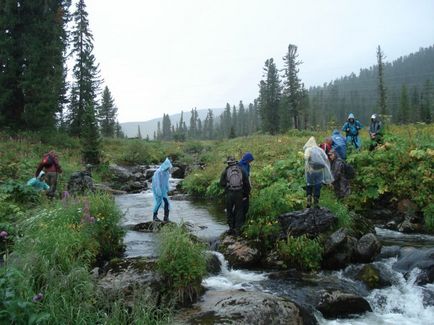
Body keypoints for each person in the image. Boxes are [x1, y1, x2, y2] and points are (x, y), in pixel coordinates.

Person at [220, 156, 251, 236]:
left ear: (228, 163)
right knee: (239, 211)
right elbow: (246, 183)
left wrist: (227, 187)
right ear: (235, 162)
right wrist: (246, 194)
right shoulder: (241, 170)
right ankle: (237, 230)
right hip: (239, 193)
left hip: (229, 193)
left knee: (229, 211)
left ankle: (231, 228)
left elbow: (221, 183)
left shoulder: (226, 171)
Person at [303, 137, 333, 208]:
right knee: (318, 185)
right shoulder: (320, 150)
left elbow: (306, 157)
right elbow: (325, 158)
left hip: (310, 171)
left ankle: (309, 200)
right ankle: (316, 202)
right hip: (319, 171)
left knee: (309, 184)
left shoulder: (308, 149)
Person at [151, 158, 173, 222]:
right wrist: (158, 190)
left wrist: (167, 187)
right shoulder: (158, 172)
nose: (168, 168)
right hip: (157, 189)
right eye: (168, 167)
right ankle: (154, 217)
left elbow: (166, 181)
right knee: (158, 202)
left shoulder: (166, 173)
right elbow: (156, 182)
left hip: (163, 190)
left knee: (167, 203)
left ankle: (166, 218)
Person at [238, 152, 254, 220]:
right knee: (242, 205)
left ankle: (242, 219)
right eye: (250, 160)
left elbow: (248, 176)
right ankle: (240, 221)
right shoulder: (240, 165)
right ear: (247, 159)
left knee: (244, 204)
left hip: (245, 187)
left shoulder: (247, 165)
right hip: (241, 187)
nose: (250, 162)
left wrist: (250, 185)